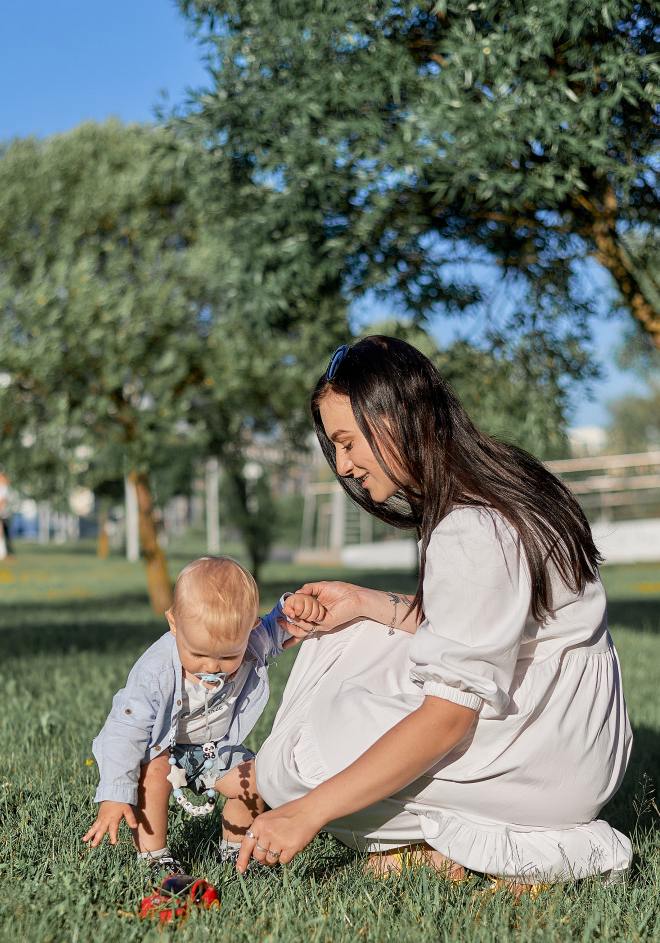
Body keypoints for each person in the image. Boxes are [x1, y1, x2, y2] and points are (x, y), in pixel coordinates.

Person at [238, 336, 632, 890]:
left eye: (348, 442)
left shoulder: (472, 528)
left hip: (547, 760)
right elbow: (486, 628)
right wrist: (363, 604)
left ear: (394, 415)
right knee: (348, 637)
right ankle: (444, 841)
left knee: (295, 769)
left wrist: (307, 813)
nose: (345, 466)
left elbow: (450, 717)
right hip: (573, 734)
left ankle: (524, 846)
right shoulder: (503, 485)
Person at [83, 556, 325, 875]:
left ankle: (237, 850)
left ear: (248, 632)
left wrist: (294, 609)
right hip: (162, 746)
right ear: (174, 624)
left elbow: (276, 628)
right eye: (197, 653)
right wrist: (114, 794)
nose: (211, 667)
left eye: (227, 656)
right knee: (153, 776)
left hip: (213, 746)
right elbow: (123, 732)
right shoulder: (154, 674)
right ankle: (154, 857)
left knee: (253, 778)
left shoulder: (250, 640)